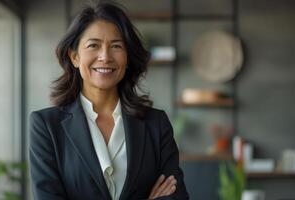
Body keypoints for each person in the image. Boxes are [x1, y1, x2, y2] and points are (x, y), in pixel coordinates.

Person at [29, 1, 189, 200]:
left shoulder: (156, 124)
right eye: (93, 45)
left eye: (116, 46)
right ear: (75, 57)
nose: (105, 57)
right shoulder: (46, 126)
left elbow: (176, 196)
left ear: (127, 57)